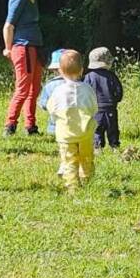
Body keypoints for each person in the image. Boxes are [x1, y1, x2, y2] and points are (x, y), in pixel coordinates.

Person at [2, 0, 46, 136]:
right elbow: (8, 26)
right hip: (23, 47)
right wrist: (8, 48)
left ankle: (31, 126)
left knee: (34, 89)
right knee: (23, 88)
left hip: (34, 46)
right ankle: (9, 125)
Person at [45, 50, 98, 191]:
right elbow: (94, 107)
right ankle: (87, 181)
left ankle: (72, 186)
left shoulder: (58, 91)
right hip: (86, 132)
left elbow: (51, 108)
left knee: (69, 160)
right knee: (86, 157)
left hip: (65, 133)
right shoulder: (87, 89)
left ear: (60, 70)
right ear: (82, 70)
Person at [84, 46, 124, 149]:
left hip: (95, 110)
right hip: (111, 108)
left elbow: (85, 92)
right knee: (113, 129)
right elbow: (119, 92)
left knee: (97, 130)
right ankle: (114, 146)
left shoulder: (89, 77)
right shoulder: (112, 76)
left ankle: (97, 147)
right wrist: (115, 100)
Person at [38, 49, 67, 135]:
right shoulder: (78, 84)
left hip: (54, 127)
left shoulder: (50, 85)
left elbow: (43, 104)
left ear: (54, 70)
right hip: (75, 126)